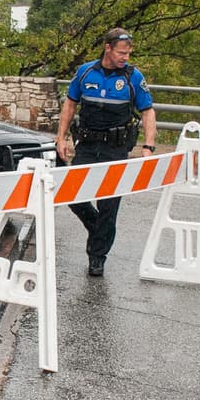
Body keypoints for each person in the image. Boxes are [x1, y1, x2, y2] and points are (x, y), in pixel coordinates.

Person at [56, 28, 158, 276]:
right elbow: (70, 104)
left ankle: (97, 257)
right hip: (88, 145)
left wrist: (148, 145)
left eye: (128, 53)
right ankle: (97, 227)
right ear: (108, 48)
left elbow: (148, 111)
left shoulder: (133, 77)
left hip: (115, 148)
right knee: (72, 194)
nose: (126, 57)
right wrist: (61, 137)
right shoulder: (85, 72)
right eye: (121, 52)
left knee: (108, 205)